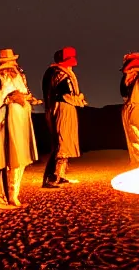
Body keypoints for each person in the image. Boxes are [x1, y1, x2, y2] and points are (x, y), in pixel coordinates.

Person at [0, 49, 40, 209]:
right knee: (6, 157)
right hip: (7, 118)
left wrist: (27, 99)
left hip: (21, 118)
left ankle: (14, 195)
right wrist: (10, 96)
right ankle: (2, 197)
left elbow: (25, 93)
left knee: (20, 158)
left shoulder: (20, 77)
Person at [41, 46, 87, 188]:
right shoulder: (60, 74)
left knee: (63, 140)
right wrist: (79, 100)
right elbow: (64, 95)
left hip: (60, 108)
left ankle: (59, 175)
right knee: (62, 141)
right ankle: (52, 177)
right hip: (62, 109)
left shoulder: (55, 72)